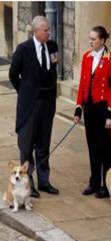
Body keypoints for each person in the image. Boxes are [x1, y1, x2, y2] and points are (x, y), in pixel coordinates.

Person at [9, 15, 59, 198]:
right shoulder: (23, 49)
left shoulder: (53, 46)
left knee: (44, 143)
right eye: (46, 30)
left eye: (48, 30)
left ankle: (44, 181)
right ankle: (28, 182)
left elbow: (54, 68)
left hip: (48, 103)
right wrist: (24, 92)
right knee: (27, 144)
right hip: (30, 104)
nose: (49, 33)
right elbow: (13, 74)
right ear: (36, 31)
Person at [74, 26, 111, 199]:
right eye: (90, 38)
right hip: (90, 108)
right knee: (92, 146)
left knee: (106, 149)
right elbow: (83, 84)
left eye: (93, 39)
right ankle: (94, 183)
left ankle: (106, 185)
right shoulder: (87, 57)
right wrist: (79, 107)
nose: (90, 41)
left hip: (104, 108)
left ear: (102, 40)